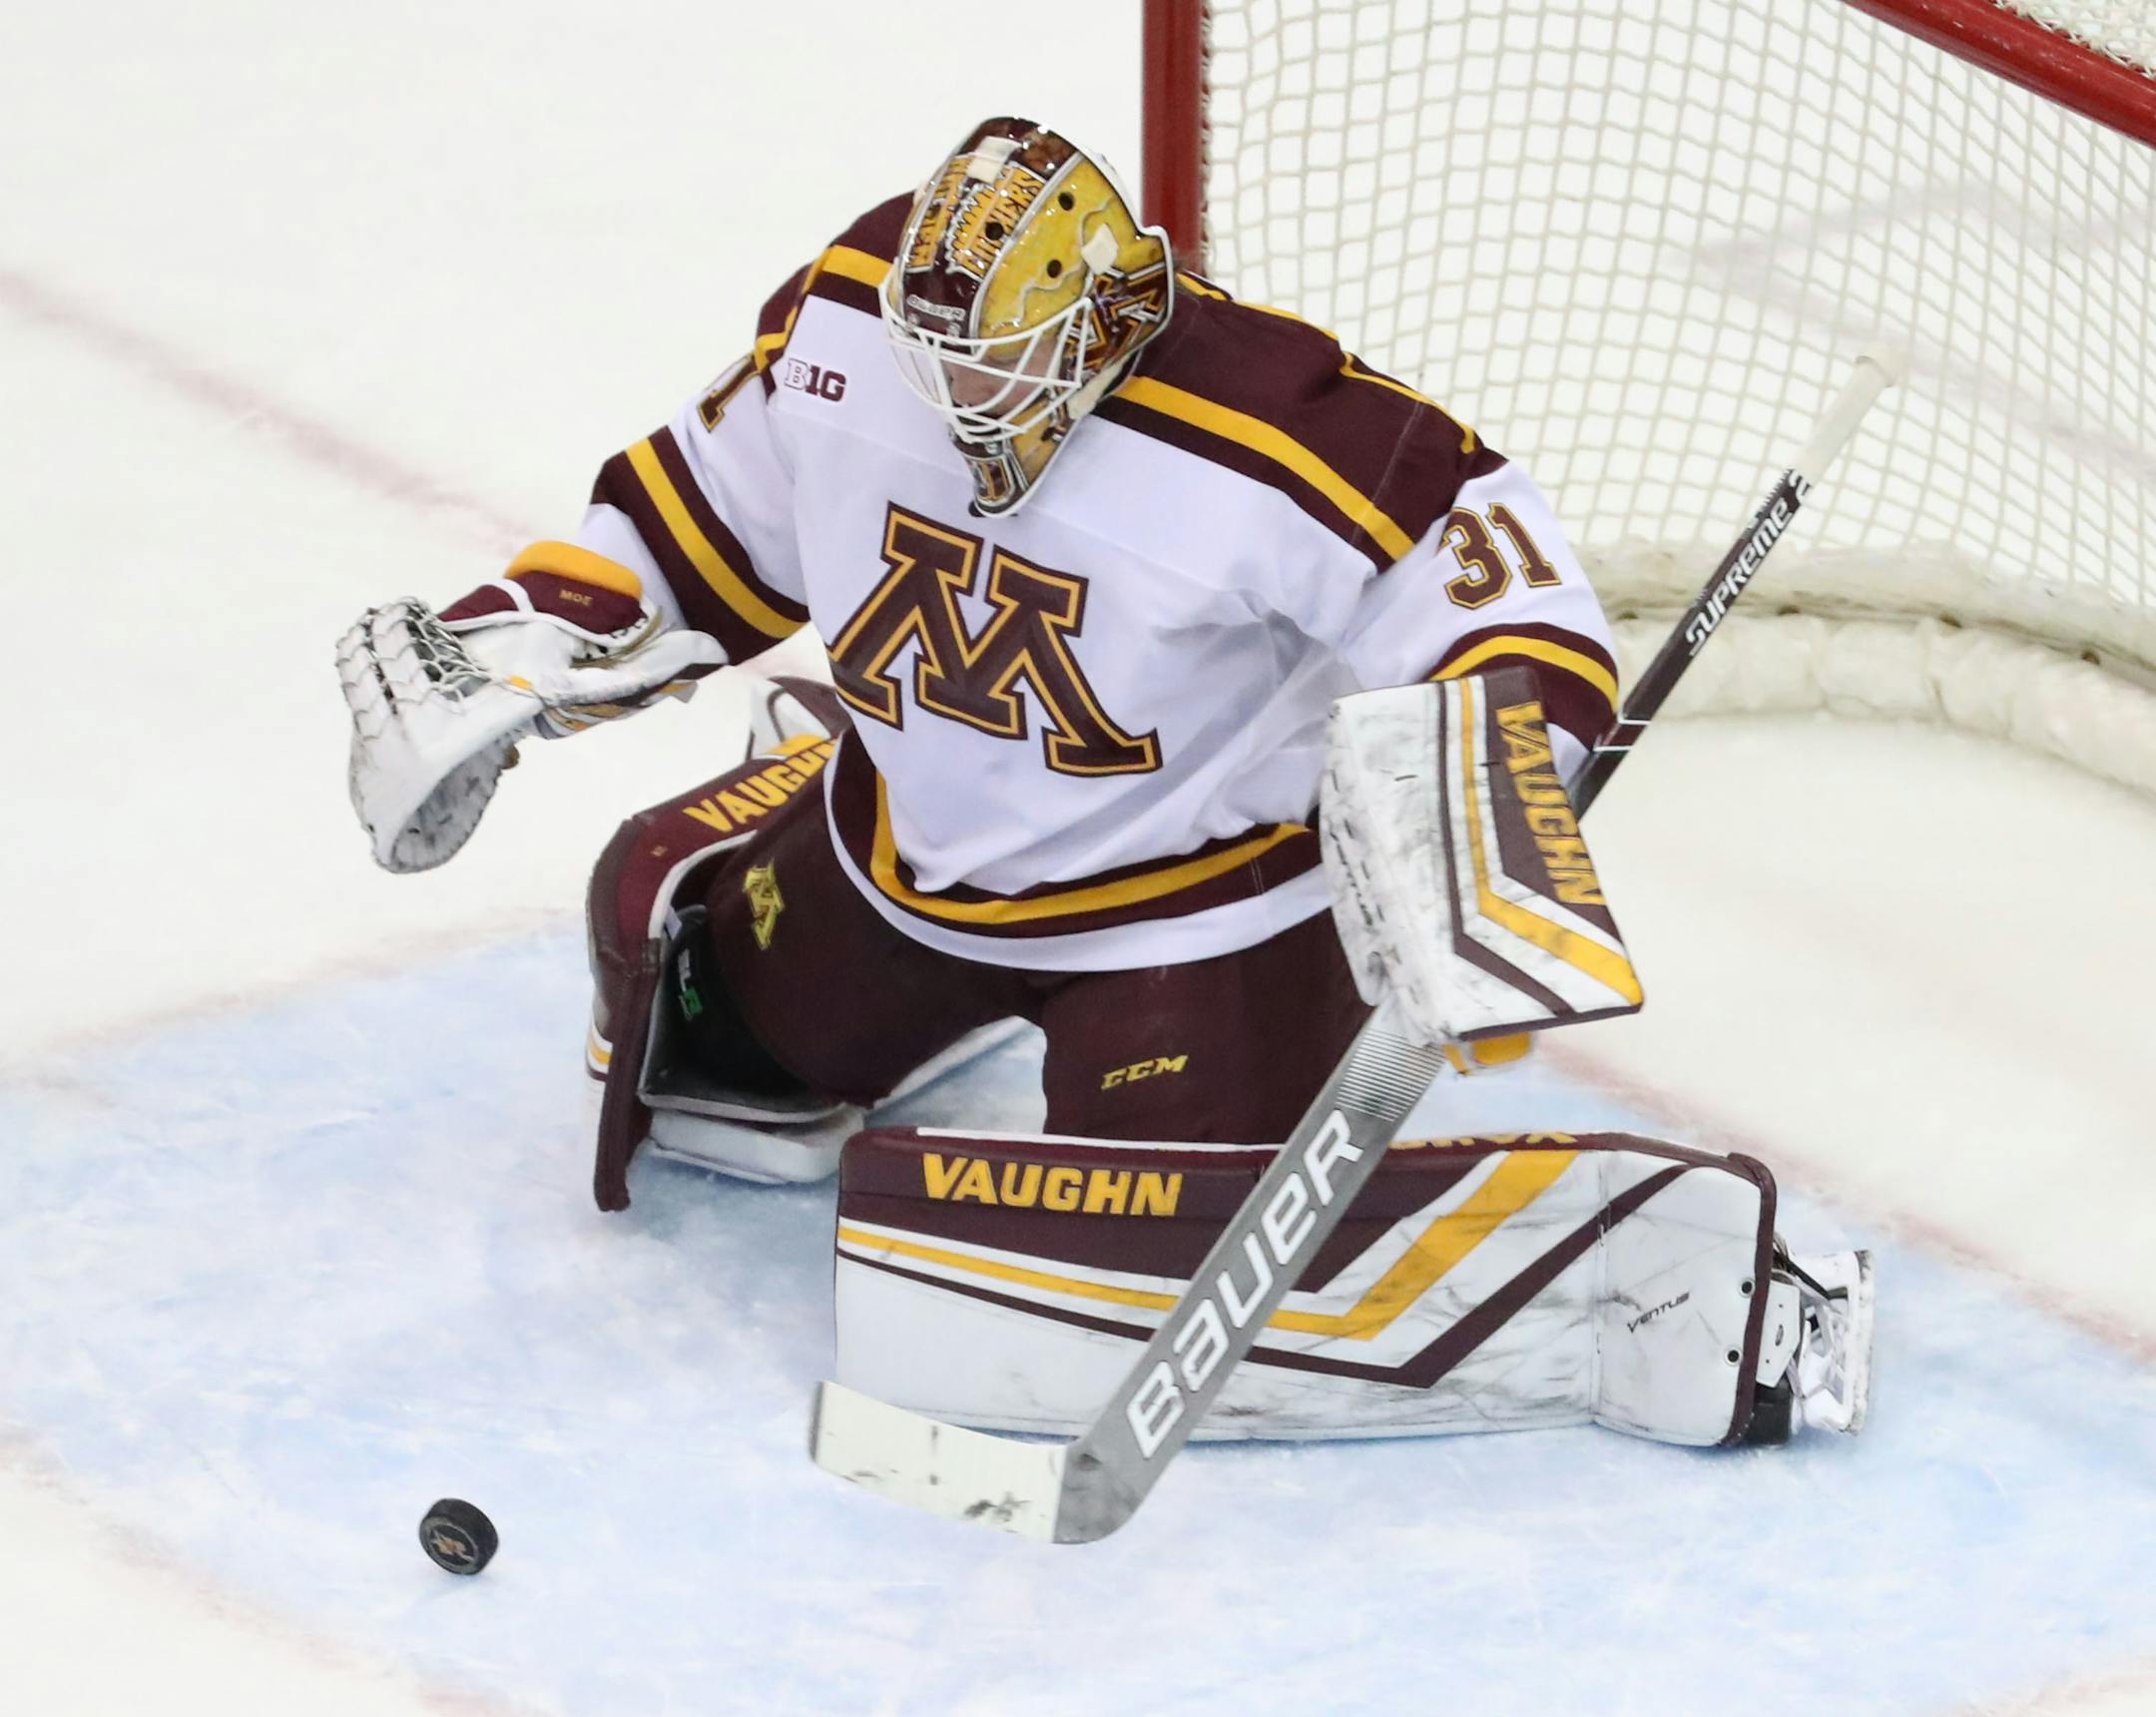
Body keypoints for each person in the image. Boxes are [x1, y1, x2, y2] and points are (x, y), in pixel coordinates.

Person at [337, 117, 1872, 1449]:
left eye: (999, 367)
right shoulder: (852, 323)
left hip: (1197, 924)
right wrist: (527, 635)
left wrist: (1477, 838)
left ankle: (1628, 1291)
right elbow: (702, 517)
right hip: (903, 857)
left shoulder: (1273, 423)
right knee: (710, 1054)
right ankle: (807, 841)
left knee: (1144, 1266)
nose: (957, 406)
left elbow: (1508, 608)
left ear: (1102, 312)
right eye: (937, 362)